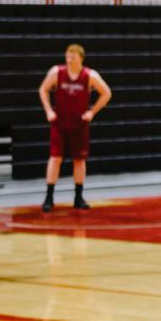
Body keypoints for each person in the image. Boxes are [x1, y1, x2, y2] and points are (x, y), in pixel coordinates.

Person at [38, 44, 112, 212]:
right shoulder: (57, 72)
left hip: (79, 123)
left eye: (72, 56)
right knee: (55, 158)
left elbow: (107, 92)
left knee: (79, 160)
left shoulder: (89, 75)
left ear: (81, 58)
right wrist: (49, 110)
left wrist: (92, 112)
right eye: (67, 56)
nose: (69, 59)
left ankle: (78, 197)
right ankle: (49, 197)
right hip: (60, 121)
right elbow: (43, 90)